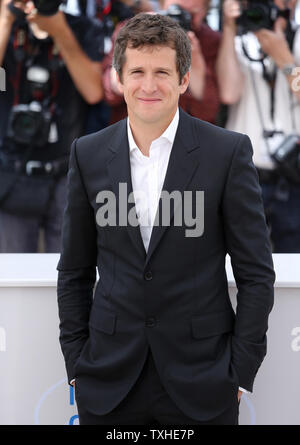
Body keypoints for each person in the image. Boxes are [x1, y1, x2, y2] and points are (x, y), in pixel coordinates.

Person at [57, 13, 275, 425]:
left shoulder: (226, 153)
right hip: (108, 380)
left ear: (184, 79)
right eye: (137, 71)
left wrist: (240, 372)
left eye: (162, 71)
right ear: (119, 78)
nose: (149, 85)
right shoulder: (87, 154)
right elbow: (74, 271)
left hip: (204, 381)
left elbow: (256, 273)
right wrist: (76, 364)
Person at [0, 0, 104, 252]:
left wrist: (60, 31)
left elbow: (93, 92)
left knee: (69, 273)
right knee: (15, 278)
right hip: (12, 172)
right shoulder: (8, 27)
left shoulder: (82, 28)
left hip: (65, 173)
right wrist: (6, 18)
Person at [216, 0, 300, 252]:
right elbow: (229, 93)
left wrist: (284, 59)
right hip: (247, 173)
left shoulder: (296, 41)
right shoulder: (240, 41)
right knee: (244, 260)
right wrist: (229, 29)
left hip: (293, 175)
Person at [102, 0, 222, 125]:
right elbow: (110, 93)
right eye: (176, 10)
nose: (181, 17)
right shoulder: (130, 30)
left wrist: (195, 63)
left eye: (191, 14)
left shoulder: (210, 40)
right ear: (161, 5)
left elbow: (208, 112)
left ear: (205, 11)